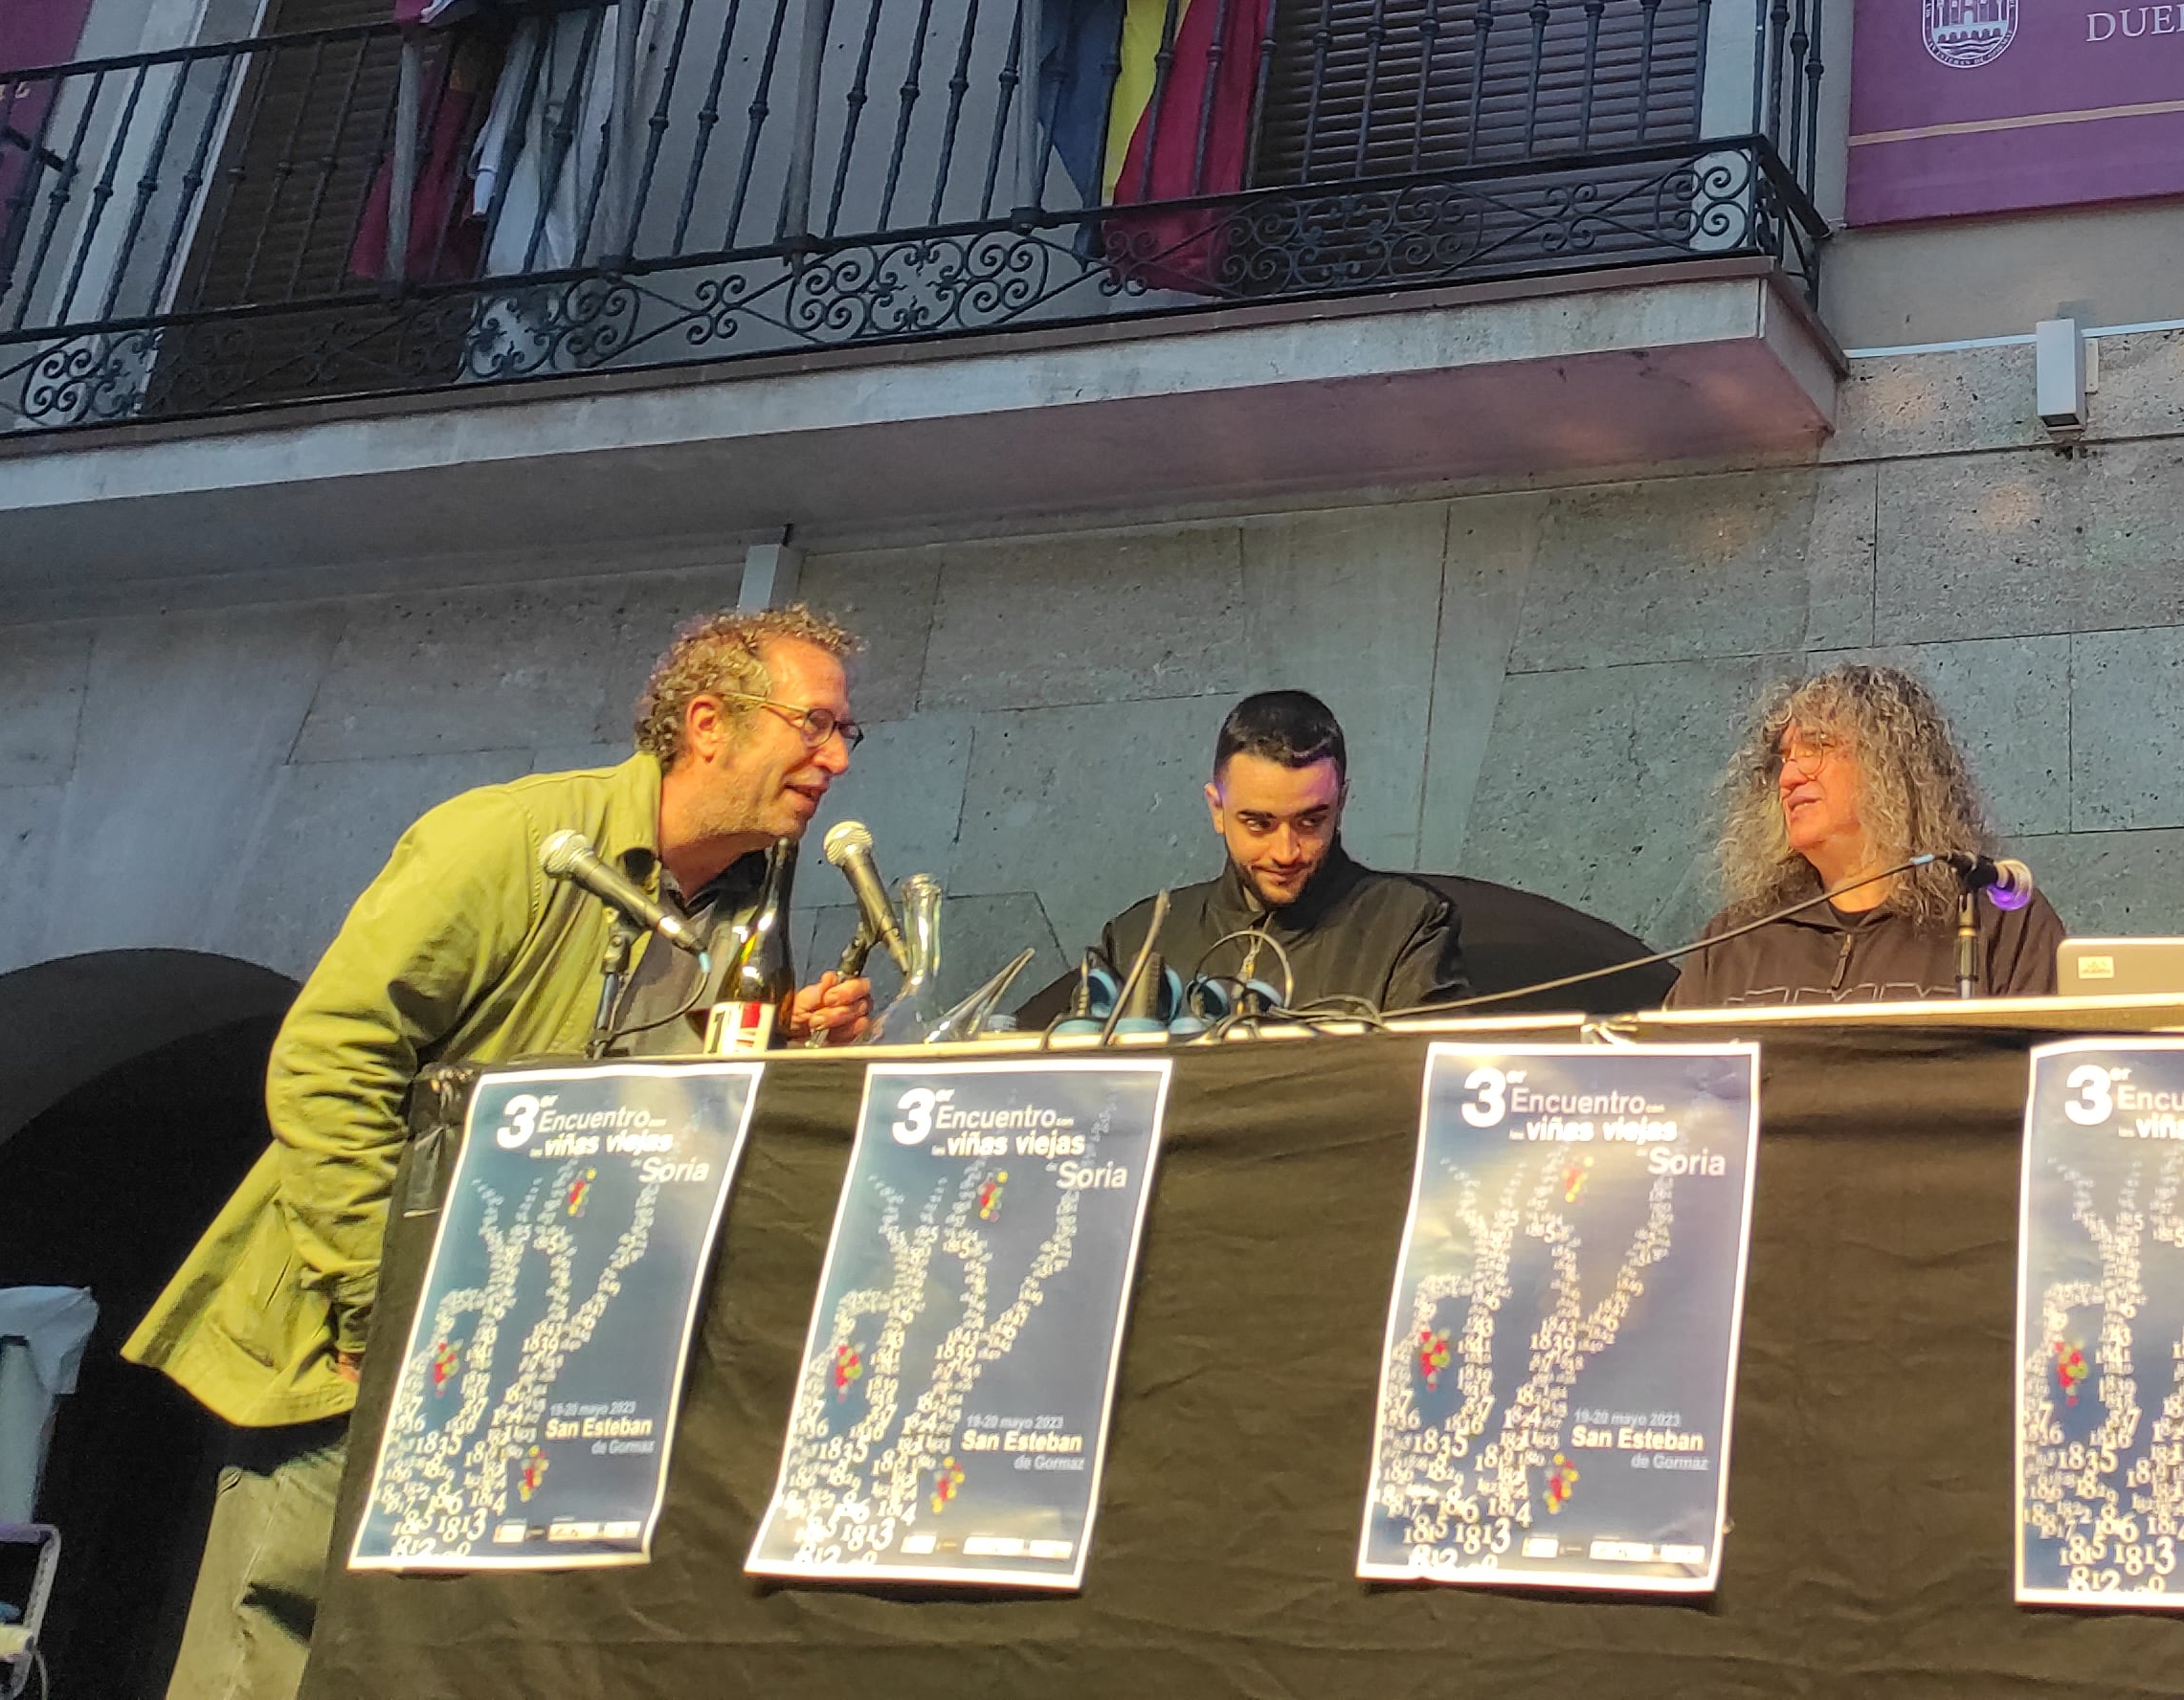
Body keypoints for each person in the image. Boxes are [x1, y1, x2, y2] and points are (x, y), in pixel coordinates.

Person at [130, 604, 880, 1700]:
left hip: (543, 1360)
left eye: (850, 733)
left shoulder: (743, 898)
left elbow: (655, 1116)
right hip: (364, 1357)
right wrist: (380, 1308)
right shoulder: (512, 840)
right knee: (277, 1660)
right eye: (815, 724)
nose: (836, 759)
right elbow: (329, 1062)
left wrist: (780, 1047)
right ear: (708, 722)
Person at [1667, 661, 2066, 1005]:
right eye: (1785, 757)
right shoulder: (1733, 942)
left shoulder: (2000, 918)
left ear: (1890, 765)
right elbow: (1666, 1081)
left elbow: (2052, 1078)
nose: (1788, 776)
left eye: (1817, 746)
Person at [1052, 689, 1461, 1022]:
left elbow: (1422, 1093)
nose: (1285, 852)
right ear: (1217, 810)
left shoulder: (1410, 924)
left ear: (1341, 804)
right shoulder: (1136, 938)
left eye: (1309, 821)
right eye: (1258, 824)